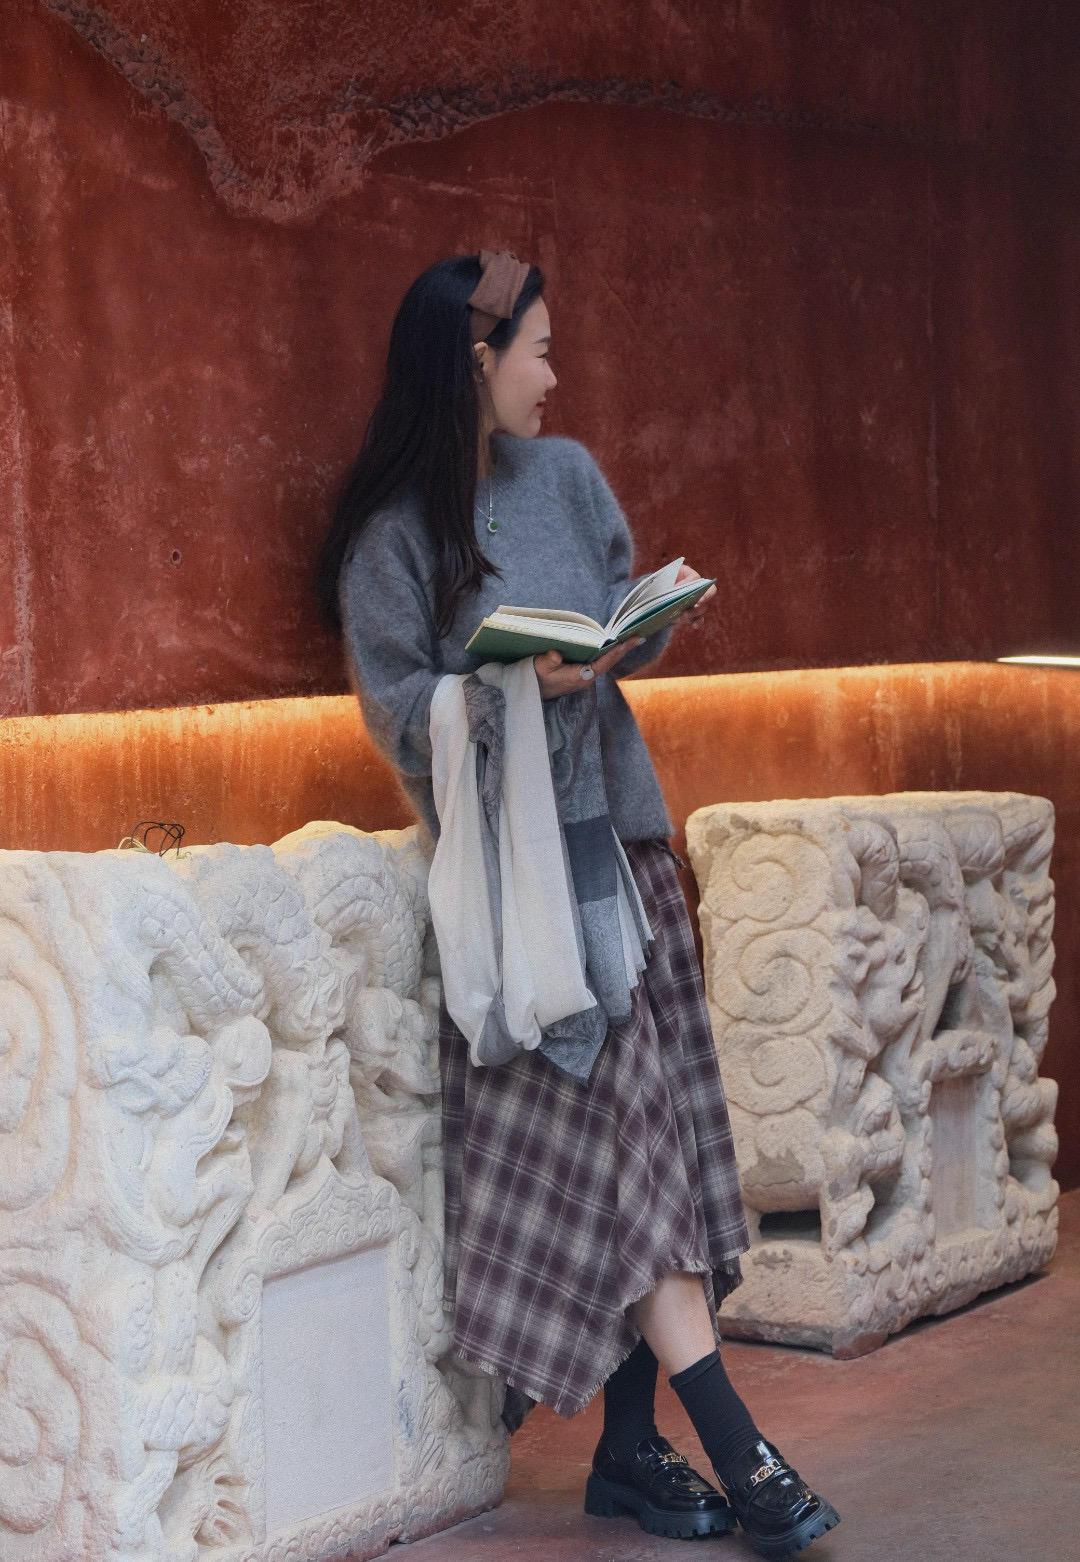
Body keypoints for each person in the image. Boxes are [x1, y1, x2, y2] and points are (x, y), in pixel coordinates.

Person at [315, 250, 840, 1559]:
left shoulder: (567, 476)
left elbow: (621, 617)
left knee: (655, 1159)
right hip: (519, 901)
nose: (556, 373)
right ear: (477, 360)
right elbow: (399, 711)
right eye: (539, 348)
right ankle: (740, 1449)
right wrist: (507, 686)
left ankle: (624, 1452)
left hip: (625, 857)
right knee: (622, 1163)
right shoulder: (392, 538)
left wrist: (626, 632)